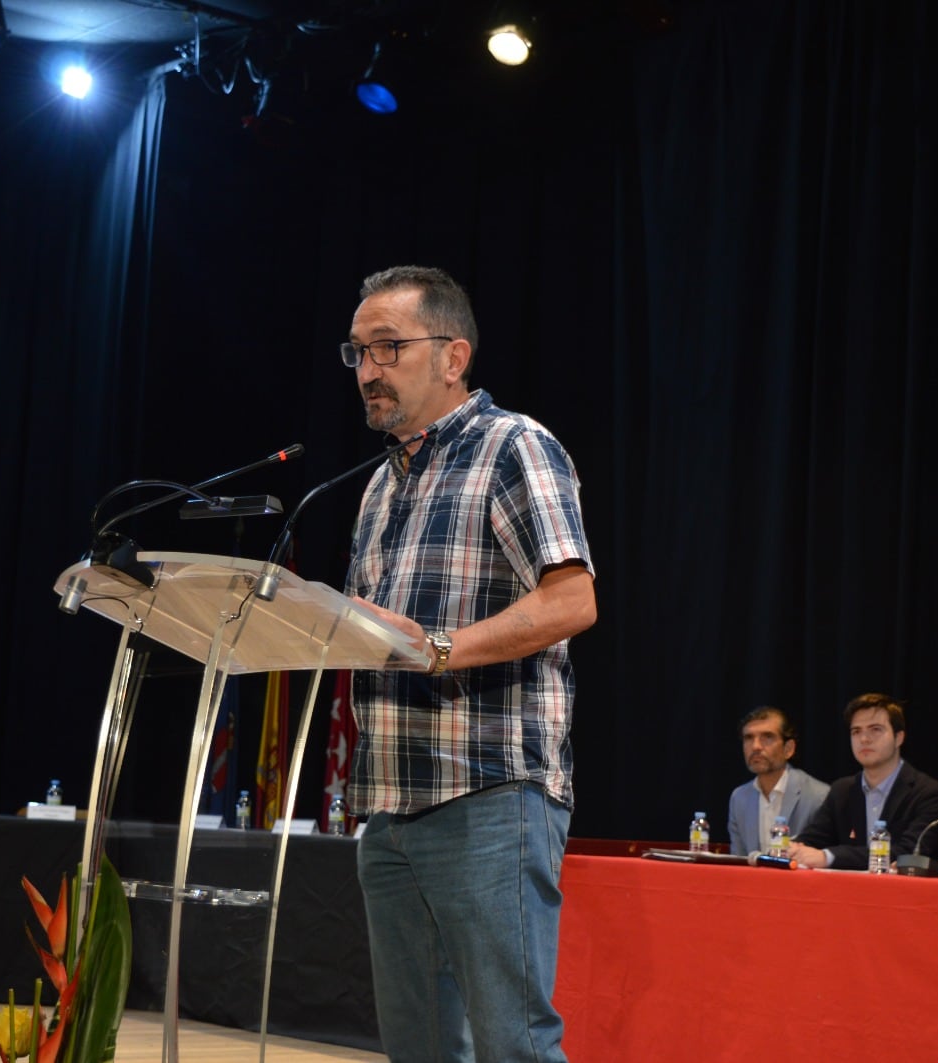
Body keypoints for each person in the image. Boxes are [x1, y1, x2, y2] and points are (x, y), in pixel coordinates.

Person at [342, 265, 596, 1063]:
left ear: (454, 357)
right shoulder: (379, 485)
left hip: (488, 792)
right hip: (390, 804)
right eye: (356, 352)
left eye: (387, 346)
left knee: (510, 1045)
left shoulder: (515, 446)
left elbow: (572, 601)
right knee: (416, 1049)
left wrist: (440, 648)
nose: (368, 370)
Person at [786, 692, 938, 868]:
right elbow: (814, 838)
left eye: (875, 730)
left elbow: (907, 855)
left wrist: (828, 857)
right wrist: (794, 848)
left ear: (899, 738)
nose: (864, 739)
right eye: (856, 732)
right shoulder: (842, 790)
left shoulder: (929, 794)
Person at [726, 706, 830, 855]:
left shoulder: (819, 796)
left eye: (767, 737)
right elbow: (739, 860)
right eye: (749, 738)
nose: (755, 746)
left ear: (788, 749)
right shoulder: (739, 798)